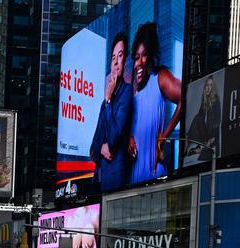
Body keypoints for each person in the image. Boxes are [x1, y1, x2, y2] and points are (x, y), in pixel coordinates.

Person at [127, 22, 182, 184]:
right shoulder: (132, 89)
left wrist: (163, 137)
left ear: (151, 56)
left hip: (154, 174)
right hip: (133, 178)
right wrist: (129, 137)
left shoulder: (160, 77)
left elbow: (185, 96)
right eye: (137, 57)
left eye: (144, 55)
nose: (139, 62)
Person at [90, 32, 133, 191]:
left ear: (125, 61)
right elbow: (92, 148)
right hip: (100, 180)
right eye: (113, 58)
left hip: (117, 179)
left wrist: (108, 100)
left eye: (119, 56)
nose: (115, 62)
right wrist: (101, 148)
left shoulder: (127, 92)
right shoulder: (105, 103)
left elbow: (114, 137)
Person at [185, 74, 221, 162]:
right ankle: (189, 143)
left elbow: (218, 121)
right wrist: (188, 136)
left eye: (210, 85)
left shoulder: (216, 100)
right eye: (207, 85)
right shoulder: (205, 101)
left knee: (211, 153)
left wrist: (213, 138)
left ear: (213, 88)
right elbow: (199, 117)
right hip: (206, 134)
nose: (208, 88)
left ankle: (197, 149)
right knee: (198, 117)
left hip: (213, 134)